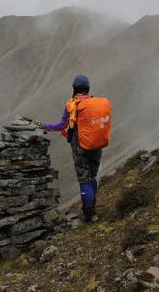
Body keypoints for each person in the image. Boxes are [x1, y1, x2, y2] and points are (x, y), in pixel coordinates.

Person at [38, 74, 111, 223]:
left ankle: (90, 215)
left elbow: (61, 126)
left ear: (74, 89)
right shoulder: (95, 104)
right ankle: (92, 210)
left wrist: (45, 127)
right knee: (92, 177)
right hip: (96, 145)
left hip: (80, 147)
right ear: (88, 88)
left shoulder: (73, 105)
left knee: (84, 179)